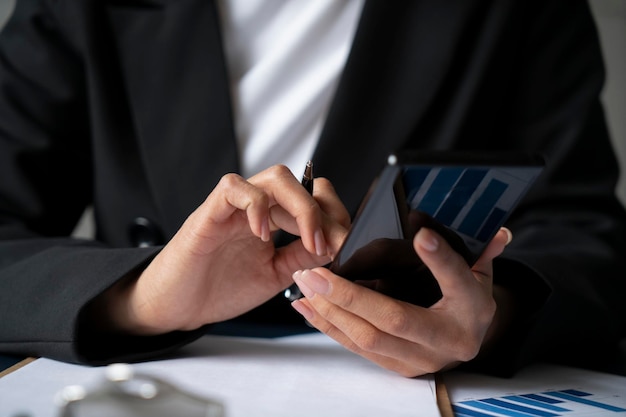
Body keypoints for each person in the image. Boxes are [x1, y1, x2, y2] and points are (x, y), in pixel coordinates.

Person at [1, 0, 625, 378]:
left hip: (418, 382)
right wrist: (140, 298)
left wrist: (491, 315)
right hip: (153, 367)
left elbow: (584, 232)